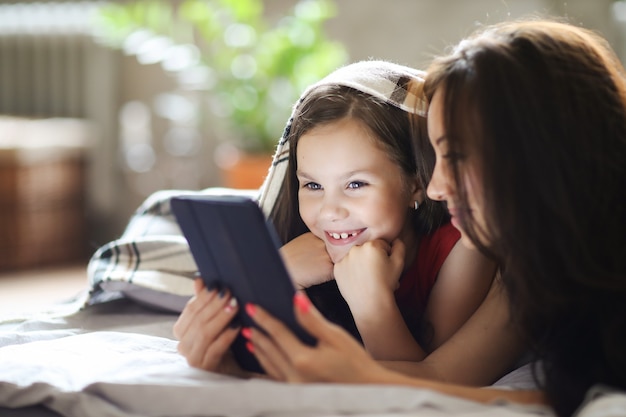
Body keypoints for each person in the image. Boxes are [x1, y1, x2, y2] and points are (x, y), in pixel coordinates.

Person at [239, 18, 626, 417]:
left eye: (455, 157)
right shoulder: (528, 265)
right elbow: (452, 380)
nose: (437, 188)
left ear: (539, 152)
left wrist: (353, 372)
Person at [174, 61, 511, 373]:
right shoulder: (301, 251)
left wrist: (370, 300)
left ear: (416, 184)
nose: (330, 211)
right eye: (313, 185)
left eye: (355, 184)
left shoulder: (462, 245)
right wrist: (275, 277)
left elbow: (423, 382)